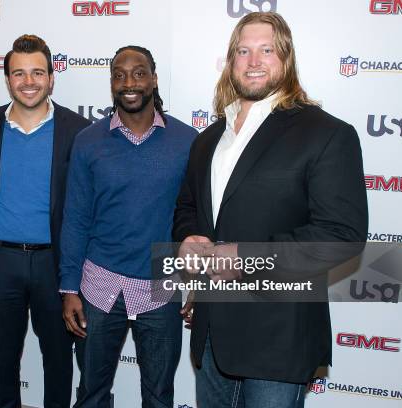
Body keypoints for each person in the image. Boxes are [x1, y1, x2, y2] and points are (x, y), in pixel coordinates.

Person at [173, 12, 368, 408]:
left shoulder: (327, 134)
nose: (254, 61)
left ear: (286, 58)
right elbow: (188, 208)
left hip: (279, 337)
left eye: (266, 50)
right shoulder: (209, 138)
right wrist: (187, 238)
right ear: (231, 61)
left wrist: (246, 259)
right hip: (212, 333)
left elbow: (341, 236)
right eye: (243, 51)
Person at [60, 45, 197, 408]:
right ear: (111, 83)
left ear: (153, 78)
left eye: (138, 73)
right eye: (119, 75)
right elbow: (75, 218)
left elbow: (197, 219)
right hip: (99, 285)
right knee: (91, 391)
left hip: (161, 287)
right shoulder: (89, 140)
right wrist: (69, 287)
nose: (128, 82)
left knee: (158, 396)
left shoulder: (187, 141)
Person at [0, 34, 90, 408]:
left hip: (54, 265)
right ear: (7, 79)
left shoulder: (79, 130)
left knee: (58, 362)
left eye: (38, 72)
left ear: (52, 78)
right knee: (2, 362)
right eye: (19, 73)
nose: (29, 81)